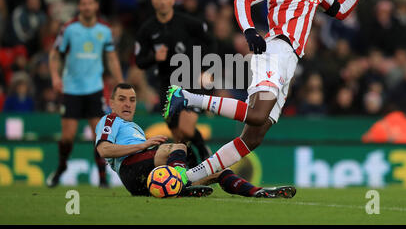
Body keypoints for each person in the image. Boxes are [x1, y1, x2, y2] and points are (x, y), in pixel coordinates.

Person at [164, 0, 384, 183]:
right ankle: (186, 98)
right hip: (275, 51)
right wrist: (249, 30)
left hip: (289, 63)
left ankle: (187, 177)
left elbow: (341, 11)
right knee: (258, 115)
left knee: (253, 138)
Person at [96, 82, 296, 198]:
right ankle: (181, 183)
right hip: (131, 170)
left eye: (132, 100)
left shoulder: (134, 127)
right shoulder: (110, 119)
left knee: (218, 172)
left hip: (150, 181)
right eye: (122, 99)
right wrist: (146, 144)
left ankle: (258, 192)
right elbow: (104, 150)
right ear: (111, 102)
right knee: (176, 146)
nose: (128, 104)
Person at [46, 0, 124, 188]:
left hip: (94, 89)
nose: (87, 7)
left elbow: (111, 57)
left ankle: (102, 177)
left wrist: (120, 82)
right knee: (67, 137)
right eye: (83, 4)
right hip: (71, 89)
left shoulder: (104, 30)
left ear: (96, 6)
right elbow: (55, 53)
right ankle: (62, 166)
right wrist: (55, 76)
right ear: (79, 7)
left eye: (90, 3)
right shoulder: (70, 28)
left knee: (98, 135)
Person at [135, 0, 213, 167]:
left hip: (190, 79)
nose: (162, 1)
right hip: (166, 85)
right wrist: (154, 57)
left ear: (172, 0)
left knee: (186, 130)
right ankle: (194, 166)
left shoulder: (187, 23)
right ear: (153, 0)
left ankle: (202, 148)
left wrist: (206, 69)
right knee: (178, 135)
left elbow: (210, 41)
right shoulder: (147, 29)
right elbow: (140, 62)